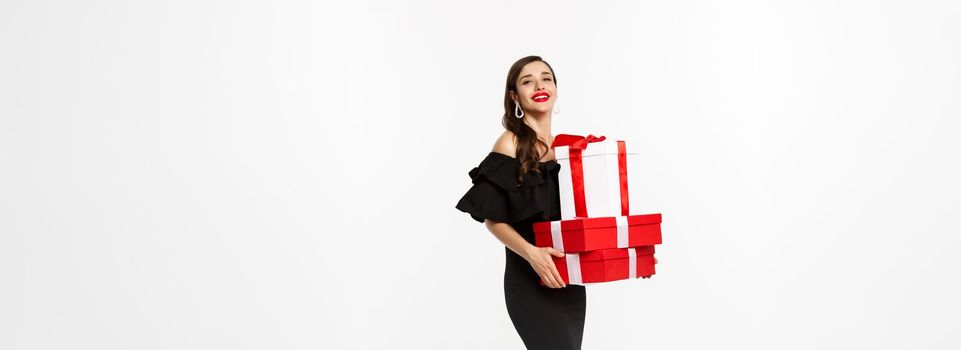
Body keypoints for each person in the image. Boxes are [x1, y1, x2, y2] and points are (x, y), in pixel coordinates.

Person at [455, 55, 586, 349]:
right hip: (529, 279)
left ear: (555, 88)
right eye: (528, 81)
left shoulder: (568, 148)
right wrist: (532, 254)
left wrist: (627, 256)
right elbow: (492, 218)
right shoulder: (510, 143)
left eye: (546, 78)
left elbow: (585, 218)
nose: (539, 85)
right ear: (515, 95)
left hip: (570, 279)